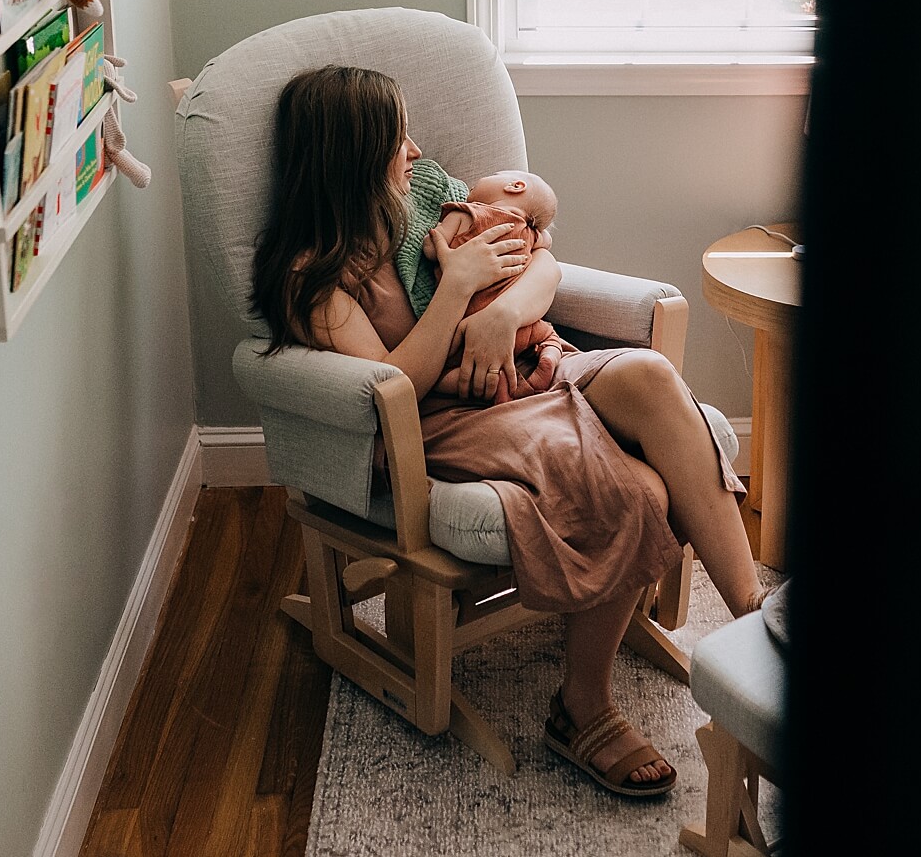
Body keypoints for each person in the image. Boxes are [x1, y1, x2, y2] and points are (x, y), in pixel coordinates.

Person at [250, 64, 767, 800]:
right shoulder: (314, 277)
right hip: (438, 422)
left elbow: (542, 260)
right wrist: (458, 286)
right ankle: (581, 706)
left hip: (523, 367)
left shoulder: (422, 207)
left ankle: (753, 624)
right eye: (398, 137)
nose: (417, 149)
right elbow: (388, 386)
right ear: (354, 155)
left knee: (652, 376)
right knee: (640, 488)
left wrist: (498, 314)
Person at [423, 169, 579, 403]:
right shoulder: (528, 231)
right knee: (547, 333)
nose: (474, 184)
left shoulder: (467, 213)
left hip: (470, 324)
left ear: (516, 186)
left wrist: (431, 242)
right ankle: (550, 351)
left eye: (495, 173)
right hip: (524, 329)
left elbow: (431, 248)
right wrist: (534, 228)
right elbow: (547, 241)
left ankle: (497, 387)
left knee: (442, 376)